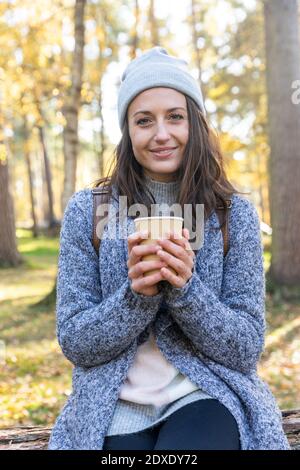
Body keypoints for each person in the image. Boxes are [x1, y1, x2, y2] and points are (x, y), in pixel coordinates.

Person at [48, 47, 290, 450]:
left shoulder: (232, 215)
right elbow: (75, 342)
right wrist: (135, 297)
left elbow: (245, 347)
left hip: (206, 394)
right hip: (112, 402)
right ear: (128, 131)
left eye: (175, 117)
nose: (161, 134)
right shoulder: (89, 212)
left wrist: (186, 290)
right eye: (144, 121)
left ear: (194, 123)